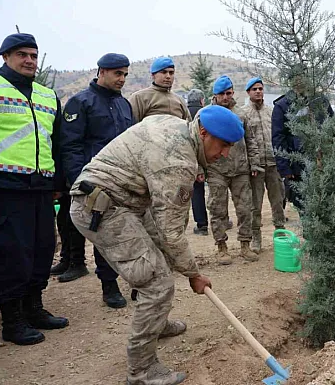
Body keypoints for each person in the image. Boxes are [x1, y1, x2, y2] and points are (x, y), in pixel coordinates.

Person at [69, 106, 239, 385]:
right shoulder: (179, 161)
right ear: (203, 132)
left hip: (123, 201)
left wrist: (182, 264)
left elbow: (166, 230)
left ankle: (156, 323)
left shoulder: (175, 125)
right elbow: (172, 232)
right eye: (223, 145)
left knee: (160, 260)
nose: (225, 154)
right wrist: (194, 275)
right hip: (102, 208)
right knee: (157, 283)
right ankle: (142, 371)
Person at [0, 33, 69, 345]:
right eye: (21, 54)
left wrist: (59, 182)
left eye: (33, 55)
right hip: (5, 186)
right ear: (5, 57)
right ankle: (12, 321)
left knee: (42, 248)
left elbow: (58, 141)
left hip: (41, 186)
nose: (29, 61)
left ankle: (34, 308)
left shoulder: (47, 95)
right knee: (13, 253)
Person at [55, 53, 135, 308]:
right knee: (103, 235)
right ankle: (109, 286)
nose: (121, 79)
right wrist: (80, 182)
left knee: (130, 233)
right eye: (117, 74)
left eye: (124, 74)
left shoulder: (124, 105)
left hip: (124, 180)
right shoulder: (81, 102)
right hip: (95, 183)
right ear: (101, 71)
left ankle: (136, 282)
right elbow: (71, 146)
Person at [204, 75, 258, 264]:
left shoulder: (241, 114)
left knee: (244, 209)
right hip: (216, 169)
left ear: (233, 92)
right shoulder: (206, 114)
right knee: (218, 209)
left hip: (240, 168)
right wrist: (199, 168)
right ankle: (221, 247)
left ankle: (245, 245)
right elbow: (198, 143)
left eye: (229, 93)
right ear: (215, 95)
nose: (226, 97)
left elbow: (251, 140)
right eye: (221, 94)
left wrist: (255, 162)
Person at [271, 67, 334, 212]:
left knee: (327, 205)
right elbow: (278, 139)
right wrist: (285, 168)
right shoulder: (282, 106)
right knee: (304, 207)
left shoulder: (320, 101)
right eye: (295, 78)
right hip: (298, 167)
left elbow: (333, 128)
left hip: (323, 164)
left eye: (302, 77)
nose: (299, 81)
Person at [240, 77, 286, 251]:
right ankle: (256, 236)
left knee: (278, 200)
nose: (258, 91)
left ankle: (280, 232)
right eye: (254, 89)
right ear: (248, 93)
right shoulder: (243, 113)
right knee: (255, 204)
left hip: (274, 164)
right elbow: (243, 141)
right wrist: (251, 163)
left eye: (260, 88)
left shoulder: (272, 111)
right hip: (256, 167)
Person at [128, 57, 191, 122]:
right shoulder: (139, 97)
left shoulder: (179, 100)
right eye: (164, 72)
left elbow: (188, 125)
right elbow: (131, 126)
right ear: (153, 75)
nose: (168, 76)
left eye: (171, 73)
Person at [186, 88, 209, 236]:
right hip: (208, 158)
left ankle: (201, 225)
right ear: (202, 101)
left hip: (189, 159)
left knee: (197, 192)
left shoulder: (182, 114)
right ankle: (223, 221)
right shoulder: (205, 114)